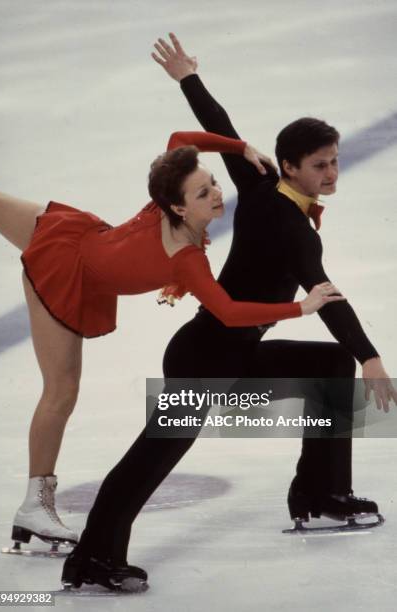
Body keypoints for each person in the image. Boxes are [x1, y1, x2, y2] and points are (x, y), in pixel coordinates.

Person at [61, 33, 397, 591]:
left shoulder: (263, 181)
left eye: (335, 161)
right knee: (152, 457)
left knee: (330, 367)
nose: (332, 173)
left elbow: (228, 134)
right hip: (205, 358)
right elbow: (326, 295)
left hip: (235, 350)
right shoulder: (288, 226)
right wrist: (372, 357)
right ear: (289, 166)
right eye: (320, 165)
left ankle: (320, 494)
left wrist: (188, 77)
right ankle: (92, 558)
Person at [0, 132, 335, 555]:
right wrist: (301, 308)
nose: (218, 194)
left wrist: (236, 149)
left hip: (73, 236)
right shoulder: (186, 258)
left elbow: (177, 142)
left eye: (214, 184)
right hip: (67, 270)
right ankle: (35, 505)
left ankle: (35, 504)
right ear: (178, 205)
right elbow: (228, 311)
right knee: (61, 391)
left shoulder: (169, 201)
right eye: (204, 191)